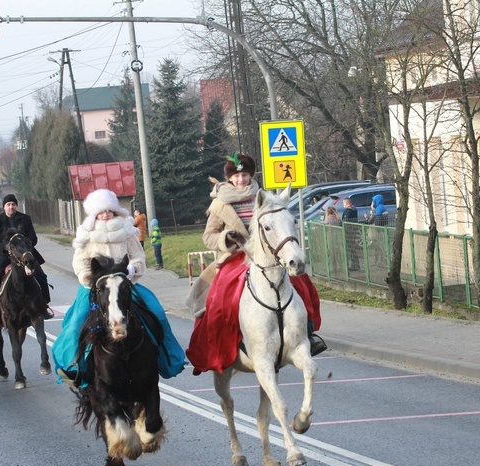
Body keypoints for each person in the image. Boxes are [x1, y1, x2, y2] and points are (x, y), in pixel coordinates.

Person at [186, 152, 326, 364]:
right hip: (235, 257)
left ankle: (307, 332)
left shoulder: (264, 197)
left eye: (245, 175)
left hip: (270, 256)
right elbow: (208, 237)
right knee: (223, 294)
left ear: (251, 175)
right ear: (229, 178)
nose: (241, 180)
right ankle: (222, 340)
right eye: (236, 176)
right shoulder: (220, 204)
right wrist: (226, 238)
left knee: (301, 282)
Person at [52, 189, 185, 389]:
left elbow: (139, 257)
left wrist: (132, 269)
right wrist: (92, 279)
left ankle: (167, 359)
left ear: (115, 211)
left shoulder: (127, 230)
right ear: (95, 214)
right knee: (75, 323)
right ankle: (74, 368)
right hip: (95, 289)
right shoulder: (86, 235)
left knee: (157, 313)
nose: (105, 215)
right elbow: (79, 263)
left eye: (109, 211)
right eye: (101, 212)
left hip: (126, 285)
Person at [0, 194, 53, 324]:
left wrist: (25, 247)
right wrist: (5, 247)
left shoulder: (25, 219)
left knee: (42, 277)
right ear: (4, 207)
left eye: (13, 204)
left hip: (24, 255)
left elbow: (33, 238)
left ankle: (44, 306)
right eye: (8, 205)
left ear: (16, 206)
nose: (11, 207)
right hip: (5, 255)